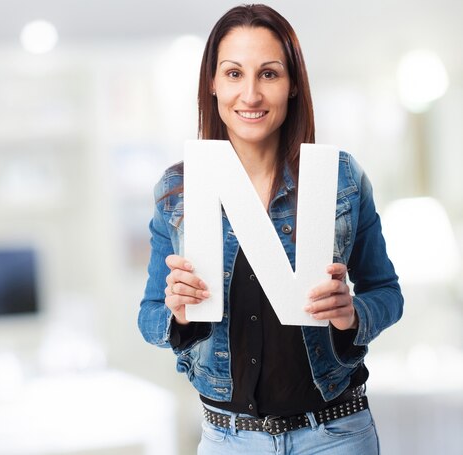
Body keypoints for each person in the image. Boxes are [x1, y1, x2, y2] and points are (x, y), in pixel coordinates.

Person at [138, 4, 403, 455]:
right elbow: (148, 316)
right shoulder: (179, 191)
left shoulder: (339, 180)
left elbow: (387, 293)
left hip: (334, 435)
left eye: (269, 74)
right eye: (234, 73)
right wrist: (177, 313)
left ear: (293, 84)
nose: (251, 95)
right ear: (213, 84)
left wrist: (351, 314)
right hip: (228, 439)